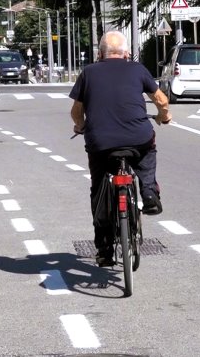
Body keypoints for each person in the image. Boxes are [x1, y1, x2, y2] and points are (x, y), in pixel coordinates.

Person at [69, 31, 172, 266]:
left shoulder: (88, 72)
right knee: (147, 152)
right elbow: (161, 100)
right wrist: (163, 117)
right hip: (138, 138)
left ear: (99, 54)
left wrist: (80, 126)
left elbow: (76, 110)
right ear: (126, 53)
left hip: (101, 143)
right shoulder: (137, 69)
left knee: (98, 189)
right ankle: (148, 191)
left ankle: (104, 250)